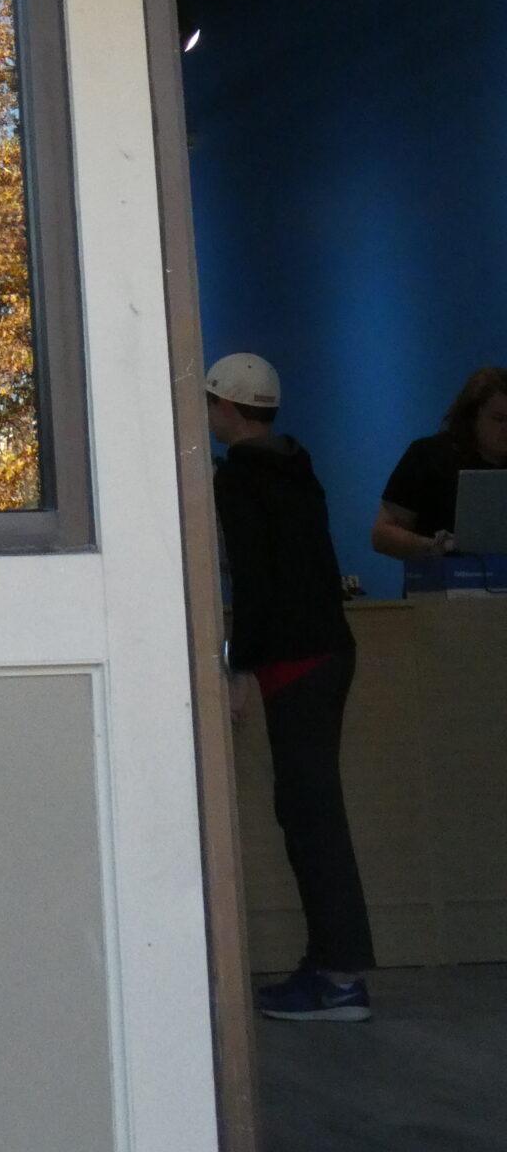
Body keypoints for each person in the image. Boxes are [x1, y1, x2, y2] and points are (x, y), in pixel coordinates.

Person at [205, 351, 374, 1024]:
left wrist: (238, 668)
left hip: (295, 661)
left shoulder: (240, 479)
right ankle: (329, 966)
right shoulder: (297, 466)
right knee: (311, 813)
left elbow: (254, 579)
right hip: (329, 651)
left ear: (225, 406)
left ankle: (339, 979)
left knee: (311, 818)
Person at [371, 364, 507, 563]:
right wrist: (437, 546)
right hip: (440, 578)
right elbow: (382, 535)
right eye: (499, 419)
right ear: (472, 419)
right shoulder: (428, 456)